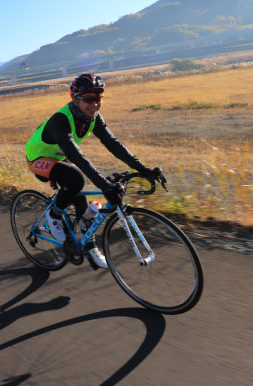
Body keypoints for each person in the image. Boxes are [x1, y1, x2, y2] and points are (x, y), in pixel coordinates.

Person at [25, 73, 162, 269]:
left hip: (59, 157)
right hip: (37, 158)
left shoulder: (93, 118)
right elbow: (77, 156)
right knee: (76, 179)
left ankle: (89, 246)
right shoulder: (60, 120)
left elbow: (113, 144)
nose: (95, 104)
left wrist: (143, 169)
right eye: (89, 98)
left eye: (98, 98)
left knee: (83, 204)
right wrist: (105, 186)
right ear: (74, 98)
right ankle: (54, 215)